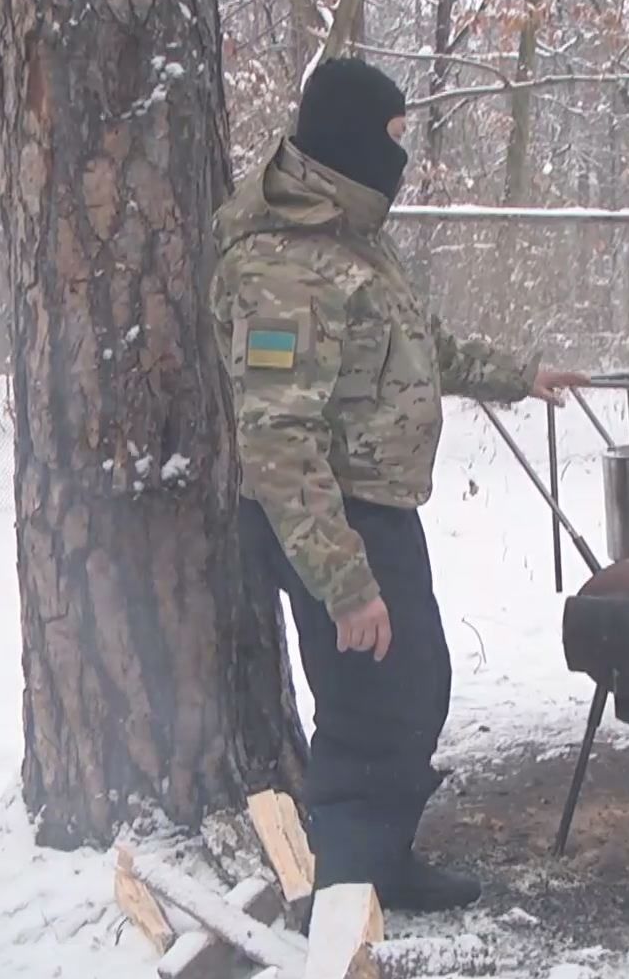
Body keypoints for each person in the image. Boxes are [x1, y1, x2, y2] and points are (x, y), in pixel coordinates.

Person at [209, 58, 588, 911]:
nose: (401, 154)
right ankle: (347, 891)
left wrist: (520, 374)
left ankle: (381, 860)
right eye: (390, 136)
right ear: (350, 136)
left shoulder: (349, 237)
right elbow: (276, 438)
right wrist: (344, 585)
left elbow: (425, 347)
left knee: (411, 685)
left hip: (376, 505)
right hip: (329, 516)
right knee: (372, 700)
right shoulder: (287, 266)